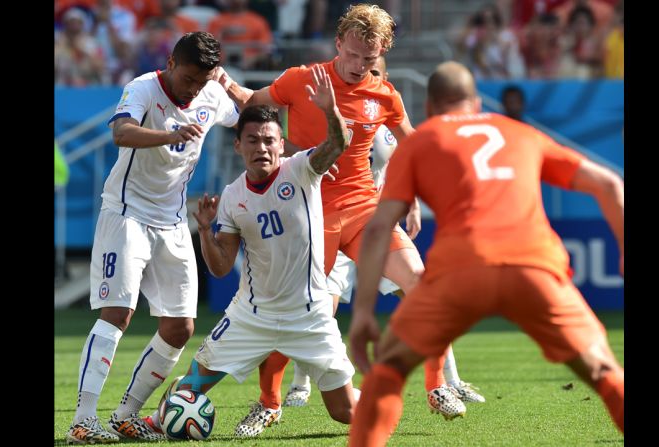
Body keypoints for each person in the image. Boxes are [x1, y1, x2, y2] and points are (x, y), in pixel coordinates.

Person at [211, 4, 471, 423]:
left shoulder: (385, 94)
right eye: (351, 54)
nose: (357, 65)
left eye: (368, 59)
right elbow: (250, 102)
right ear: (338, 44)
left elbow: (414, 147)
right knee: (293, 315)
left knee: (420, 282)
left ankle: (436, 386)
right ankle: (270, 403)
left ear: (382, 52)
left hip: (365, 209)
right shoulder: (302, 79)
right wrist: (222, 78)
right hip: (307, 213)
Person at [348, 61, 624, 446]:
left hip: (460, 271)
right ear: (476, 103)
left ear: (429, 108)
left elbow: (378, 228)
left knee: (387, 374)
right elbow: (611, 185)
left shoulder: (420, 142)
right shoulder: (520, 133)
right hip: (534, 268)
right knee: (604, 370)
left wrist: (362, 312)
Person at [146, 65, 358, 438]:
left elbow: (337, 144)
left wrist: (329, 110)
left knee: (347, 414)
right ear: (238, 145)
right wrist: (206, 230)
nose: (261, 147)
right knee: (187, 389)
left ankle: (382, 399)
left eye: (269, 140)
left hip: (307, 316)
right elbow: (221, 267)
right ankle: (153, 422)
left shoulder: (302, 170)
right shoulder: (232, 196)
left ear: (281, 144)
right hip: (250, 316)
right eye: (253, 140)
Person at [65, 31, 240, 445]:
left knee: (180, 327)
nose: (194, 89)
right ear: (171, 64)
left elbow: (246, 115)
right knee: (118, 314)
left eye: (203, 81)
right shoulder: (142, 88)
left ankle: (126, 414)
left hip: (173, 220)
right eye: (189, 80)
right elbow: (121, 134)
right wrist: (170, 135)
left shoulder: (210, 94)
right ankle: (82, 419)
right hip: (126, 214)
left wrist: (233, 87)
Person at [283, 55, 484, 408]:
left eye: (374, 71)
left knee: (419, 289)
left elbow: (404, 164)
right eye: (361, 69)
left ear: (384, 77)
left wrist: (415, 201)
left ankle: (449, 381)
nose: (365, 76)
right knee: (318, 307)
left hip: (371, 218)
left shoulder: (386, 120)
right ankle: (299, 384)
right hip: (333, 216)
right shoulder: (341, 113)